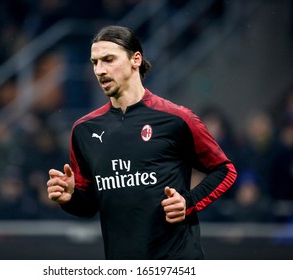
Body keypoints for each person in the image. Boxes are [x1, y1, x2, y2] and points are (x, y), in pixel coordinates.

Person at [46, 25, 237, 259]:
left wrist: (188, 201)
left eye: (108, 60)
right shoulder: (84, 130)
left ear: (135, 59)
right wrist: (70, 198)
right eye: (95, 62)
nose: (100, 70)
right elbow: (90, 204)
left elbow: (225, 171)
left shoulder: (177, 119)